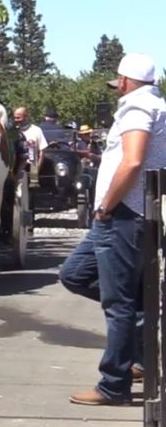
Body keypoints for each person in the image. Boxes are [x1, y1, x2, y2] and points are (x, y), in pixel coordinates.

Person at [59, 52, 166, 406]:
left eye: (116, 82)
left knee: (118, 302)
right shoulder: (156, 105)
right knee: (76, 275)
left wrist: (105, 205)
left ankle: (113, 384)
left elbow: (133, 160)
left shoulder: (136, 108)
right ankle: (139, 353)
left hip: (121, 215)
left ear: (123, 81)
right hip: (128, 215)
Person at [12, 107, 48, 173]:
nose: (16, 120)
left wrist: (37, 168)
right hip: (17, 169)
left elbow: (42, 152)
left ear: (26, 117)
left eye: (18, 118)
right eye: (14, 118)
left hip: (32, 167)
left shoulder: (36, 130)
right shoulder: (12, 132)